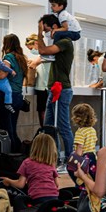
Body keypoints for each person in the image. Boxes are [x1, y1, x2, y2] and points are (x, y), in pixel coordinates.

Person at [37, 14, 74, 171]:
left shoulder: (65, 42)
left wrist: (38, 33)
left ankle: (69, 162)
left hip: (62, 89)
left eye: (44, 28)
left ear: (52, 27)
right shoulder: (59, 42)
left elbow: (42, 50)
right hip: (53, 89)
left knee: (63, 127)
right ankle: (55, 159)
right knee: (49, 126)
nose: (44, 32)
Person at [0, 34, 28, 153]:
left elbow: (3, 74)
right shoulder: (21, 58)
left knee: (6, 131)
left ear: (7, 44)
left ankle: (10, 159)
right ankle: (17, 158)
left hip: (6, 98)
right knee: (12, 129)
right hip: (18, 97)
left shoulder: (8, 57)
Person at [1, 133, 59, 206]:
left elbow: (20, 184)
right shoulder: (51, 163)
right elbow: (57, 184)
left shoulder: (27, 162)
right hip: (54, 197)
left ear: (34, 147)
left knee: (18, 200)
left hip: (37, 198)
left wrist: (8, 181)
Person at [25, 34, 50, 127]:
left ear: (36, 43)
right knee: (42, 112)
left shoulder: (46, 53)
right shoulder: (43, 54)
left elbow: (33, 66)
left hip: (44, 87)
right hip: (42, 87)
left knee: (43, 113)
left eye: (31, 48)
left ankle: (45, 133)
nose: (31, 51)